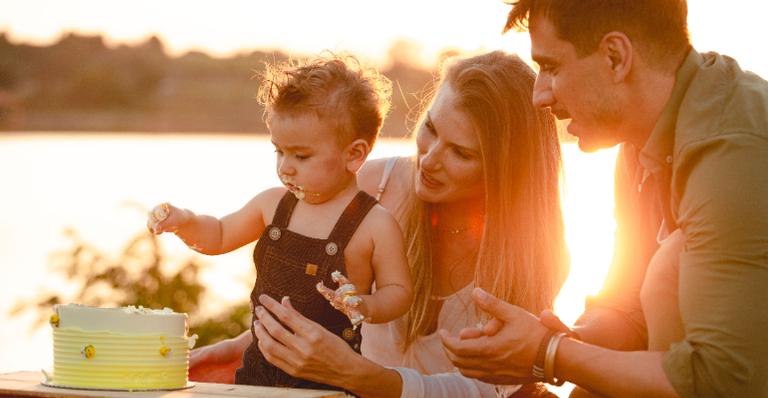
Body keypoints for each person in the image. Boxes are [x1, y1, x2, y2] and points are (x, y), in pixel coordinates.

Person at [189, 50, 569, 397]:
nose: (430, 159)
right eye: (432, 129)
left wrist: (355, 375)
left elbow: (489, 392)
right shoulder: (370, 189)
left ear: (507, 171)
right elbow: (311, 306)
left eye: (461, 153)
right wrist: (237, 350)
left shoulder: (534, 253)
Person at [441, 1, 768, 397]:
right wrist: (557, 339)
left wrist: (549, 353)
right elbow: (627, 307)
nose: (538, 96)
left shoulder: (731, 155)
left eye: (551, 67)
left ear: (616, 57)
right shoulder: (641, 138)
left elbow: (720, 379)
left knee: (668, 267)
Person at [147, 54, 413, 392]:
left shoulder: (374, 224)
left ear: (354, 154)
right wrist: (184, 221)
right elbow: (219, 234)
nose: (286, 167)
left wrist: (365, 304)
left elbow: (399, 292)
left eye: (301, 156)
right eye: (279, 152)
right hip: (257, 379)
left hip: (326, 384)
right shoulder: (273, 205)